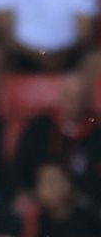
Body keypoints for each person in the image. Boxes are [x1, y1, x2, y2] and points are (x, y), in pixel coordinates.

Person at [13, 70, 101, 200]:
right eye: (70, 95)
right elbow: (21, 165)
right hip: (39, 199)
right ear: (61, 96)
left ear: (88, 100)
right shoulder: (40, 126)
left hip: (84, 204)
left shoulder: (97, 132)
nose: (75, 102)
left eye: (80, 96)